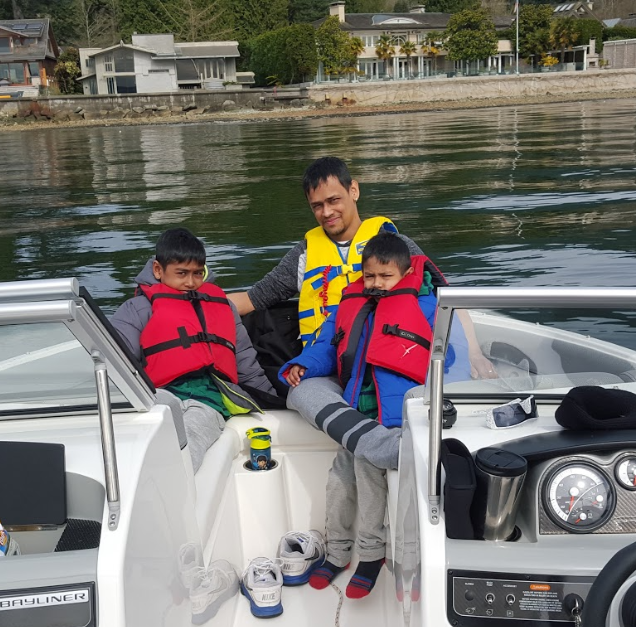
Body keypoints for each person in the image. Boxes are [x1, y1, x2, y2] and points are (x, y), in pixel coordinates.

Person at [229, 157, 496, 470]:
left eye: (333, 200)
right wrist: (186, 300)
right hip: (331, 364)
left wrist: (475, 353)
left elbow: (444, 300)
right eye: (317, 205)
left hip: (389, 362)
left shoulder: (396, 247)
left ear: (353, 190)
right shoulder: (302, 256)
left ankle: (373, 440)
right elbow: (252, 299)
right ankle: (383, 447)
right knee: (298, 393)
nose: (326, 212)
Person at [278, 232, 440, 599]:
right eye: (370, 277)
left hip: (395, 414)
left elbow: (445, 357)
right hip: (358, 412)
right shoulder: (349, 303)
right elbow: (325, 347)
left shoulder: (427, 306)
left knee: (368, 472)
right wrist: (303, 364)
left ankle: (370, 555)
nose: (377, 285)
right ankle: (337, 551)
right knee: (339, 479)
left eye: (386, 277)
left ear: (404, 274)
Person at [111, 228, 275, 472]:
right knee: (148, 436)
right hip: (159, 397)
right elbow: (115, 364)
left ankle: (173, 494)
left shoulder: (223, 308)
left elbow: (246, 364)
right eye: (181, 273)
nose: (190, 282)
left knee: (189, 441)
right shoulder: (135, 310)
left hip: (207, 401)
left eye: (198, 274)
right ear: (158, 270)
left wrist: (272, 402)